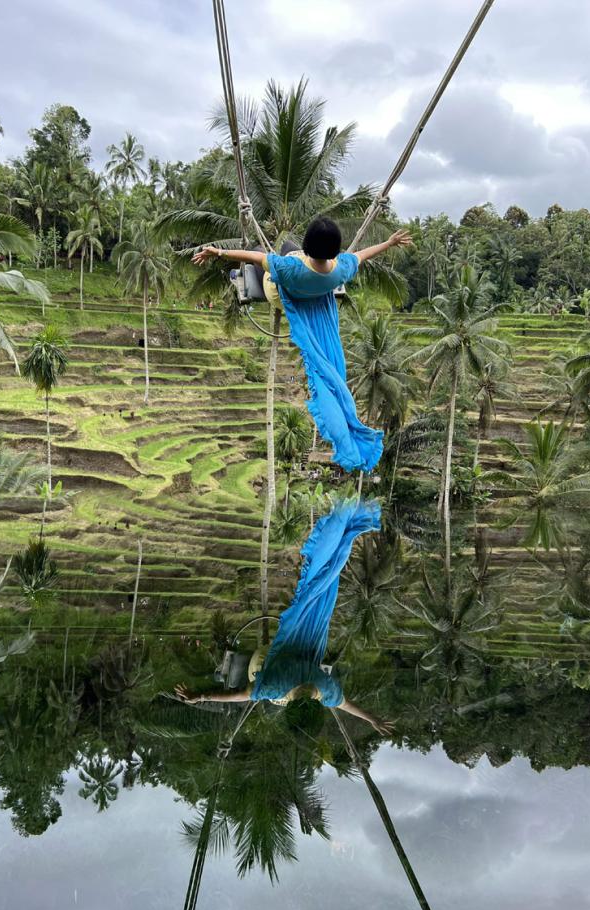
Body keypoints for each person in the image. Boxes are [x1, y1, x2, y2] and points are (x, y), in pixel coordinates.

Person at [193, 218, 412, 473]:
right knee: (286, 246)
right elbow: (362, 255)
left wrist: (219, 252)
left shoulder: (289, 269)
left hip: (280, 294)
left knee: (266, 250)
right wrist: (390, 242)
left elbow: (253, 256)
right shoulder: (341, 269)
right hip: (318, 296)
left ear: (308, 245)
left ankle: (241, 275)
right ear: (336, 249)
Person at [175, 499, 394, 736]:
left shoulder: (314, 689)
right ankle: (343, 524)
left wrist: (371, 719)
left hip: (306, 634)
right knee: (318, 585)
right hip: (303, 635)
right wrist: (202, 696)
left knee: (321, 584)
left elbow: (342, 704)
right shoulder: (281, 688)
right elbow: (241, 695)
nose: (308, 691)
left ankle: (347, 523)